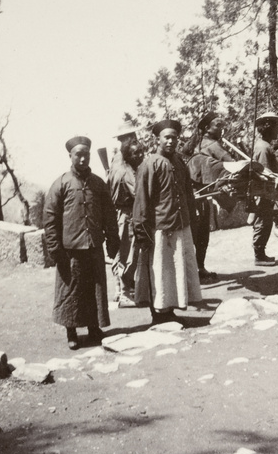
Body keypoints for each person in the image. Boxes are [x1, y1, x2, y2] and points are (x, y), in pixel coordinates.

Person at [44, 136, 120, 350]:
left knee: (94, 289)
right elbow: (50, 218)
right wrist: (54, 248)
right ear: (70, 156)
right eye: (78, 154)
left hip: (94, 245)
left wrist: (113, 240)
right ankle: (72, 332)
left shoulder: (98, 183)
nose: (83, 158)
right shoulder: (61, 183)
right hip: (70, 250)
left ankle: (94, 328)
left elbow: (109, 214)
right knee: (71, 291)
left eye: (86, 154)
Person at [133, 119, 202, 325]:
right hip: (159, 228)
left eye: (174, 138)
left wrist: (192, 216)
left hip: (180, 225)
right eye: (167, 138)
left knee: (175, 269)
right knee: (160, 270)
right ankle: (158, 313)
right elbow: (142, 199)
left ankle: (169, 309)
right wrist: (141, 229)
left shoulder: (179, 162)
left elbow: (188, 193)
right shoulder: (150, 164)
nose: (171, 142)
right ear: (158, 139)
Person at [187, 111, 234, 283]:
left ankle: (198, 268)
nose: (221, 129)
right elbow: (230, 162)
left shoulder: (200, 144)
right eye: (217, 125)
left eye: (222, 125)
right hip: (198, 197)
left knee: (200, 234)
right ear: (207, 128)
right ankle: (196, 270)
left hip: (201, 196)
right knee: (199, 235)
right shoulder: (211, 145)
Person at [108, 139, 145, 307]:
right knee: (129, 253)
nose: (141, 155)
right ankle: (124, 293)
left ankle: (119, 289)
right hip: (127, 214)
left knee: (121, 252)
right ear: (128, 155)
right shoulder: (127, 171)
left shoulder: (117, 164)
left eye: (141, 151)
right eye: (136, 153)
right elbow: (138, 194)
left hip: (120, 213)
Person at [251, 112, 278, 266]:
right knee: (263, 222)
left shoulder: (265, 145)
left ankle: (261, 253)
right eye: (276, 127)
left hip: (265, 191)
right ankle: (259, 254)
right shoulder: (263, 147)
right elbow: (265, 171)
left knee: (265, 221)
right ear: (268, 128)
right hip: (263, 191)